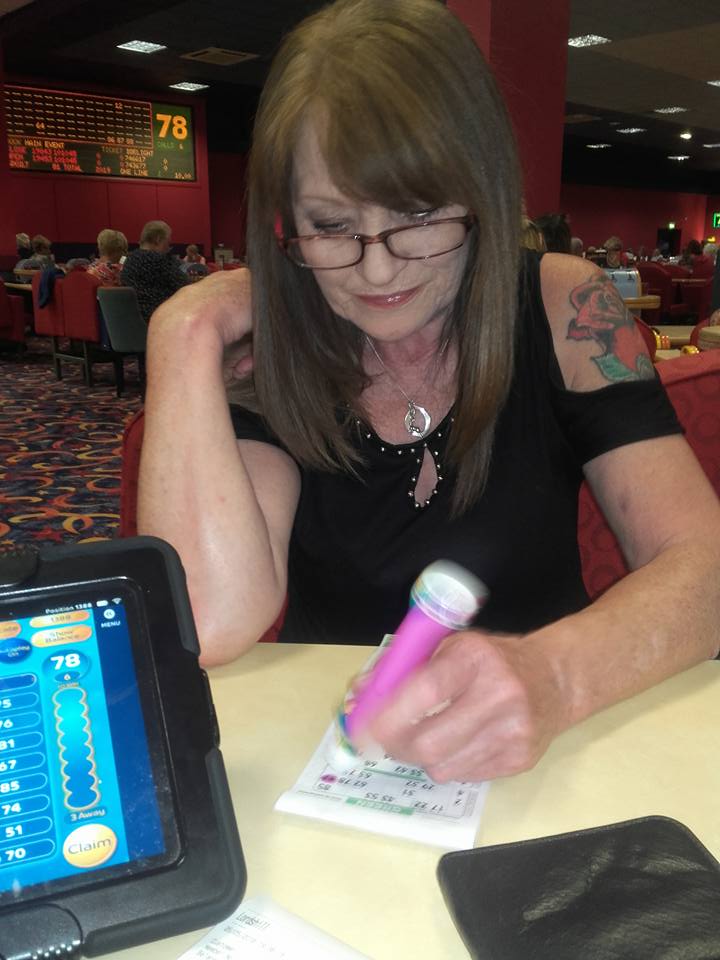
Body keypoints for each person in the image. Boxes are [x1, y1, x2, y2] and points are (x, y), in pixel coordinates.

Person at [138, 0, 720, 785]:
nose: (377, 269)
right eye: (330, 226)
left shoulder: (568, 307)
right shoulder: (276, 346)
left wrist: (555, 674)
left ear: (481, 192)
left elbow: (704, 567)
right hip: (340, 762)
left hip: (552, 751)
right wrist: (183, 332)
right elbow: (206, 622)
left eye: (416, 215)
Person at [121, 220, 187, 321]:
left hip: (134, 321)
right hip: (159, 320)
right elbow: (186, 285)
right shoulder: (158, 259)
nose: (168, 248)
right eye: (168, 242)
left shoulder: (129, 260)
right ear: (158, 239)